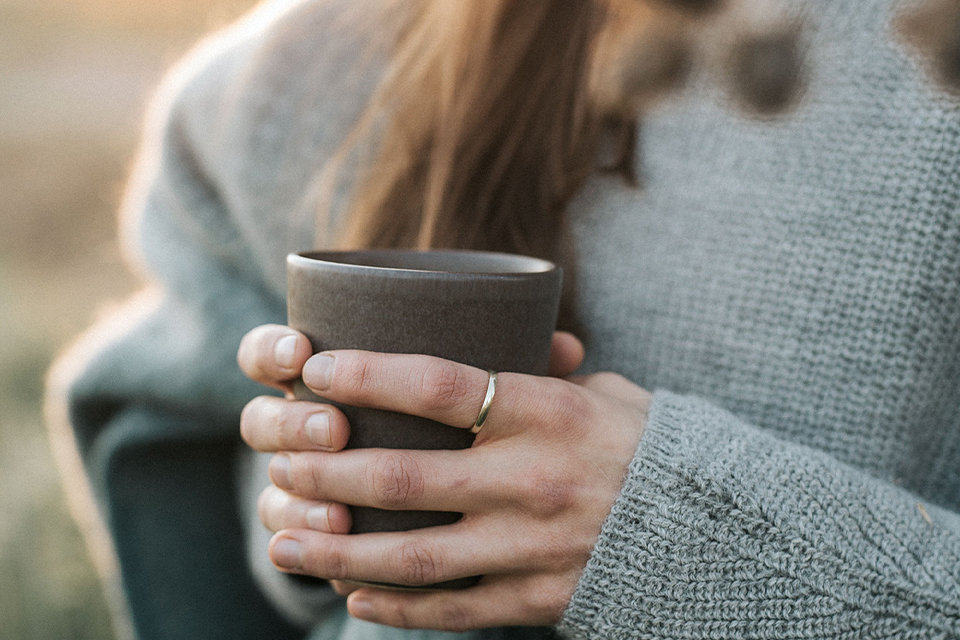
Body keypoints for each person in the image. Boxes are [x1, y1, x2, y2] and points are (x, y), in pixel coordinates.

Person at [47, 0, 960, 638]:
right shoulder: (300, 72)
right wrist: (306, 508)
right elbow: (174, 427)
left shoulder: (925, 64)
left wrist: (700, 545)